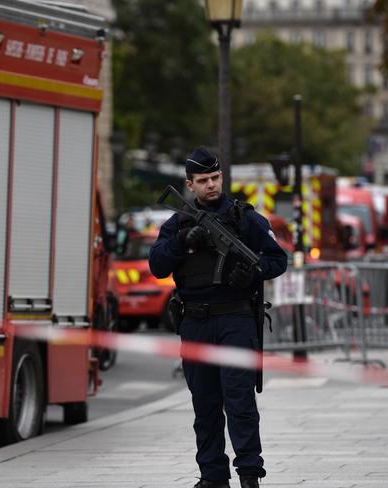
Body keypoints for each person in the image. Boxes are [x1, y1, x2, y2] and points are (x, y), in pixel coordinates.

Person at [149, 147, 287, 488]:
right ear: (190, 184)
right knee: (205, 407)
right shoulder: (177, 223)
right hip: (195, 321)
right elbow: (157, 265)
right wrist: (182, 242)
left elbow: (277, 259)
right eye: (203, 181)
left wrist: (252, 275)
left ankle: (250, 475)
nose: (211, 185)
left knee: (240, 402)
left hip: (235, 320)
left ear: (221, 177)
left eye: (215, 178)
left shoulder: (244, 219)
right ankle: (213, 477)